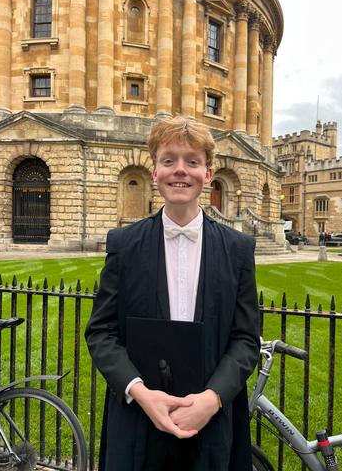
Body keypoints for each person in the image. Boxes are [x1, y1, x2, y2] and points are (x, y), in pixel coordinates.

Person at [85, 116, 260, 471]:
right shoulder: (124, 244)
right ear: (154, 171)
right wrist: (139, 392)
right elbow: (101, 332)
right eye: (169, 160)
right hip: (139, 419)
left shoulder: (239, 248)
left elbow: (245, 339)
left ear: (208, 174)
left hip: (210, 422)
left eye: (192, 162)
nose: (180, 171)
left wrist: (212, 399)